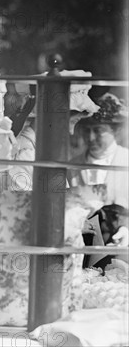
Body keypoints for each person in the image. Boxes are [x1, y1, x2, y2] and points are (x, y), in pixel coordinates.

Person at [67, 92, 128, 265]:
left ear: (115, 131)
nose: (91, 138)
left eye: (99, 131)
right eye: (88, 131)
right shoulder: (71, 167)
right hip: (81, 252)